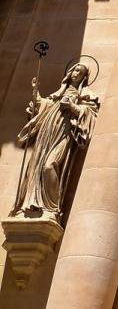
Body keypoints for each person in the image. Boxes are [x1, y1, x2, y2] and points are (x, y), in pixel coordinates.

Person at [12, 61, 99, 221]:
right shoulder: (58, 94)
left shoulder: (85, 96)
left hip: (63, 135)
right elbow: (43, 105)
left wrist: (72, 107)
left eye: (80, 72)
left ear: (84, 78)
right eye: (75, 70)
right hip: (46, 133)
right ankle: (34, 204)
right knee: (36, 167)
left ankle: (51, 207)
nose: (76, 74)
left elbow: (90, 114)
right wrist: (35, 91)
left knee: (49, 166)